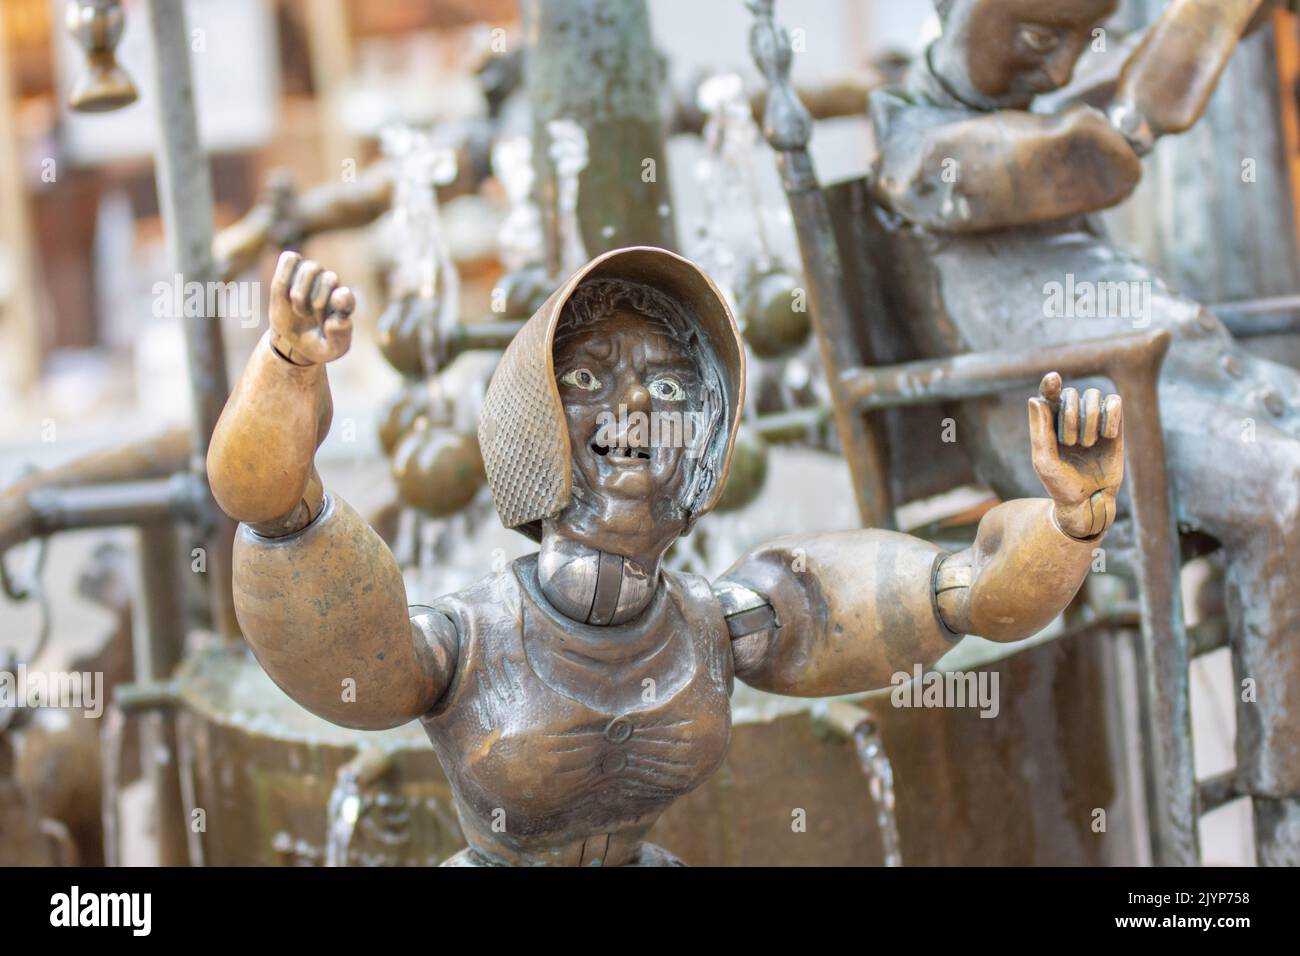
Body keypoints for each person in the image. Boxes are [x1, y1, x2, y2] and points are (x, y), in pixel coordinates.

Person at [207, 246, 1124, 866]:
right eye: (587, 379)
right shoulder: (464, 643)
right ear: (531, 421)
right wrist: (288, 369)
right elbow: (273, 516)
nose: (636, 409)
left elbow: (965, 596)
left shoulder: (736, 620)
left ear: (708, 435)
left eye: (671, 384)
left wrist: (1072, 523)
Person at [868, 0, 1298, 863]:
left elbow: (1134, 62)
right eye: (1038, 36)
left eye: (1078, 42)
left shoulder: (1011, 102)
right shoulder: (924, 156)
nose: (1060, 70)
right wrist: (1171, 68)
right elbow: (1080, 162)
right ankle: (1286, 803)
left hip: (1174, 384)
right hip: (1078, 432)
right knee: (1289, 485)